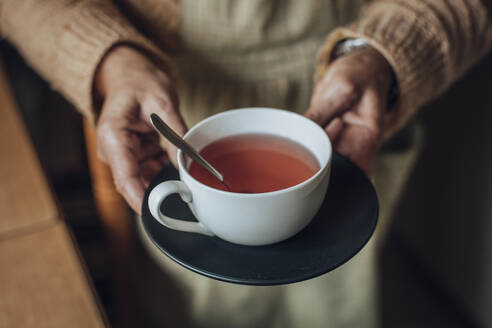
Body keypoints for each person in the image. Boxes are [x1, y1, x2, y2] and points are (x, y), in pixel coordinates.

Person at [2, 0, 491, 326]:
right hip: (169, 102)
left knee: (337, 307)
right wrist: (111, 58)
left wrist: (381, 53)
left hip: (348, 108)